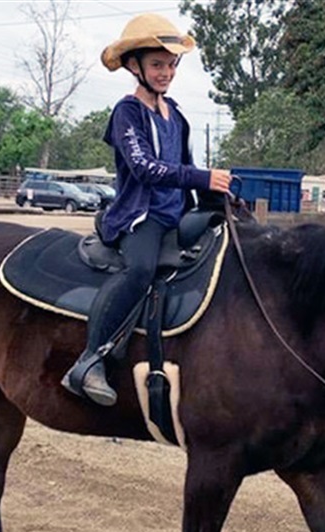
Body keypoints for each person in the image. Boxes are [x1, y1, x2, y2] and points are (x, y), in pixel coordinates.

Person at [61, 13, 233, 406]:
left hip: (176, 214)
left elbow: (184, 166)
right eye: (157, 64)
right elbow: (144, 167)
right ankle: (91, 360)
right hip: (142, 218)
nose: (166, 72)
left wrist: (215, 196)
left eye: (171, 64)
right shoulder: (127, 113)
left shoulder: (178, 115)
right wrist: (202, 178)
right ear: (133, 65)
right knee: (139, 270)